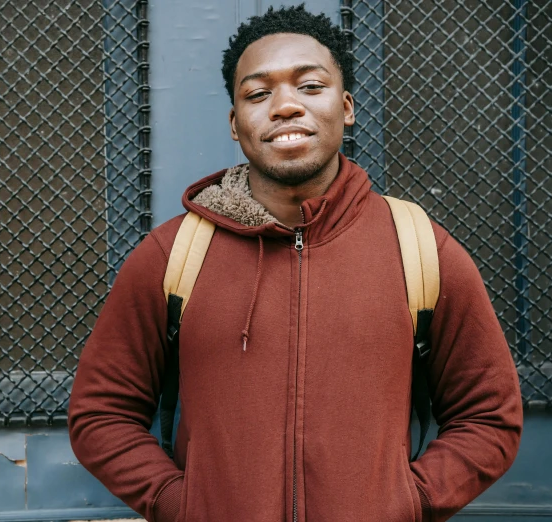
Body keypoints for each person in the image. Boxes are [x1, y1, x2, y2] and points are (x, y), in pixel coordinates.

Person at [68, 5, 522, 522]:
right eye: (258, 94)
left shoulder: (419, 247)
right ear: (236, 124)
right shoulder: (173, 255)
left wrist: (408, 503)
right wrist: (184, 504)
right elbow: (100, 413)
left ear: (346, 107)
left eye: (310, 86)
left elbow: (490, 415)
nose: (285, 107)